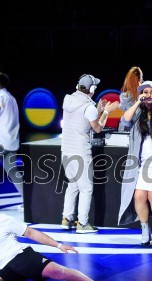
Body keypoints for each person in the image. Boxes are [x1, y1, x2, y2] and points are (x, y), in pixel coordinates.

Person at [117, 80, 152, 248]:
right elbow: (124, 120)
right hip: (141, 162)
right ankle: (144, 230)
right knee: (139, 196)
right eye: (145, 92)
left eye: (151, 92)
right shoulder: (138, 112)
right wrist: (137, 101)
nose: (148, 95)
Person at [60, 74, 119, 233]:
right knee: (86, 188)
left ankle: (66, 219)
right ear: (91, 89)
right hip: (80, 151)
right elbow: (98, 128)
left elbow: (84, 117)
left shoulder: (70, 100)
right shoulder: (88, 107)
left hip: (66, 150)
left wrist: (98, 110)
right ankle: (83, 223)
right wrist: (105, 112)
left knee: (73, 184)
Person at [0, 72, 24, 210]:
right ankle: (28, 201)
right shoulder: (11, 97)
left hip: (0, 142)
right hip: (11, 141)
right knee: (13, 172)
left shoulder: (1, 98)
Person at [118, 66, 144, 131]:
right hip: (137, 128)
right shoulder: (146, 94)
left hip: (129, 129)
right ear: (140, 78)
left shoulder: (124, 96)